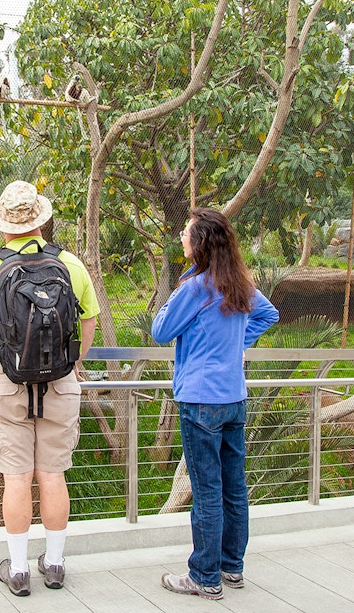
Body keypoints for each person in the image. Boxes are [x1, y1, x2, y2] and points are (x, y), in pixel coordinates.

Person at [0, 180, 99, 597]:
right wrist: (75, 361)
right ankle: (57, 564)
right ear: (41, 221)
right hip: (61, 382)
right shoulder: (71, 264)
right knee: (52, 475)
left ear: (2, 224)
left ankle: (19, 569)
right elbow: (88, 320)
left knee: (16, 478)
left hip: (4, 382)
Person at [151, 207, 279, 601]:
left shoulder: (196, 288)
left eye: (186, 234)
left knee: (206, 489)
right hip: (234, 398)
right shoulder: (238, 284)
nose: (180, 239)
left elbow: (160, 331)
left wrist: (182, 286)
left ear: (200, 243)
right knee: (232, 487)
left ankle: (204, 576)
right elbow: (267, 314)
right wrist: (235, 345)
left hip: (200, 400)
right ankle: (231, 567)